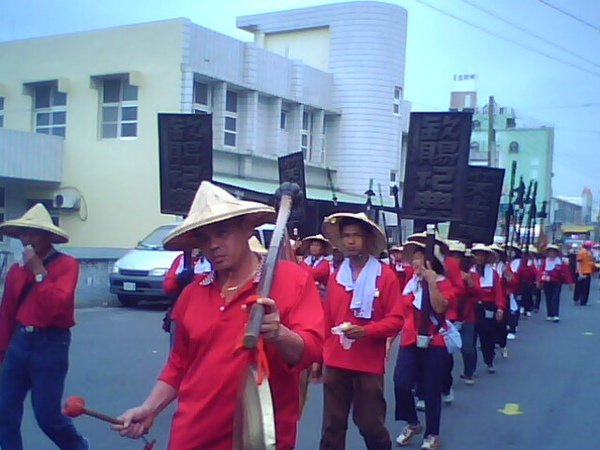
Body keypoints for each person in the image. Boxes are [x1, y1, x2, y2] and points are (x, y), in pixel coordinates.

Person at [113, 182, 324, 450]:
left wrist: (278, 333)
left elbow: (313, 350)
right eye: (204, 238)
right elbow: (178, 365)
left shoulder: (292, 279)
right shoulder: (192, 294)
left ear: (247, 229)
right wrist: (150, 407)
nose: (213, 245)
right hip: (192, 435)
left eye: (222, 233)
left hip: (259, 437)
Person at [0, 203, 89, 450]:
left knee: (47, 416)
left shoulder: (67, 265)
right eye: (23, 234)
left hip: (50, 343)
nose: (26, 240)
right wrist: (2, 351)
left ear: (47, 236)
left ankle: (77, 447)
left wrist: (38, 270)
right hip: (19, 342)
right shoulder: (16, 272)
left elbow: (57, 305)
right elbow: (7, 313)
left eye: (33, 233)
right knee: (4, 413)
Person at [319, 212, 404, 450]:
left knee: (370, 424)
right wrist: (318, 357)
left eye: (356, 235)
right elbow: (327, 320)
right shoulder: (336, 277)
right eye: (346, 236)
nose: (351, 241)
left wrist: (366, 331)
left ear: (366, 239)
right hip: (335, 360)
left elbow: (397, 319)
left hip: (368, 362)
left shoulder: (384, 276)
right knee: (332, 425)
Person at [394, 239, 455, 450]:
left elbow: (439, 307)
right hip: (410, 339)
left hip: (434, 341)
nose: (416, 262)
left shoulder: (443, 283)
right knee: (401, 383)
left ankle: (433, 434)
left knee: (431, 389)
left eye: (420, 258)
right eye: (415, 257)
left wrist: (431, 282)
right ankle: (413, 422)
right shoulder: (411, 282)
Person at [468, 244, 505, 374]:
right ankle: (470, 369)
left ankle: (489, 360)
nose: (479, 257)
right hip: (471, 307)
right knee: (470, 339)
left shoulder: (493, 274)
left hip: (487, 306)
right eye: (477, 254)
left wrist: (500, 307)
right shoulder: (469, 272)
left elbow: (499, 292)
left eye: (482, 255)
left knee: (487, 336)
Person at [538, 244, 574, 322]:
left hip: (557, 282)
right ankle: (549, 314)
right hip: (547, 282)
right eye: (550, 252)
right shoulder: (545, 261)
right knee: (548, 298)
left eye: (553, 252)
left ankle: (555, 315)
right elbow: (541, 272)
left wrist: (570, 283)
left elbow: (566, 272)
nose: (551, 253)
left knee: (555, 298)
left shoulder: (560, 261)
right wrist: (539, 281)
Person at [300, 234, 332, 298]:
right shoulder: (307, 260)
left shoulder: (325, 263)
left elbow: (313, 274)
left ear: (322, 248)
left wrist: (303, 266)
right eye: (312, 245)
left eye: (317, 245)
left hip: (320, 295)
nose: (314, 247)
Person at [573, 240, 595, 306]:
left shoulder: (588, 252)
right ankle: (582, 301)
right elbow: (578, 262)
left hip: (584, 271)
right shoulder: (583, 252)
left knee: (579, 286)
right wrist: (580, 273)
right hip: (583, 272)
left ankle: (578, 299)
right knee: (585, 288)